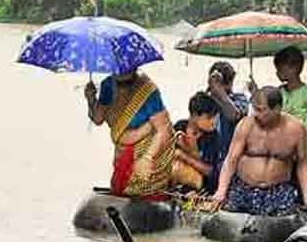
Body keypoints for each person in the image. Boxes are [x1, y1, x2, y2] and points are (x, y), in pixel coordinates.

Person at [211, 86, 307, 216]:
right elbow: (231, 160)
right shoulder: (246, 125)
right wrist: (221, 191)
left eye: (261, 110)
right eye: (255, 109)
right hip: (244, 189)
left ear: (277, 109)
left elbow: (303, 163)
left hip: (279, 191)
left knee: (287, 227)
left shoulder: (296, 130)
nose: (256, 114)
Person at [85, 71, 175, 199]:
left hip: (147, 148)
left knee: (145, 193)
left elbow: (163, 129)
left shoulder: (147, 90)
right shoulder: (108, 85)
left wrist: (147, 158)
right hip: (122, 149)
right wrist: (91, 99)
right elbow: (98, 119)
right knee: (119, 189)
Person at [203, 61, 250, 193]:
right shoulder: (206, 99)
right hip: (208, 159)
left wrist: (219, 92)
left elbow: (234, 115)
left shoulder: (240, 99)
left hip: (230, 159)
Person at [273, 47, 307, 158]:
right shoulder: (279, 92)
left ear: (294, 68)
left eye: (280, 69)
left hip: (304, 151)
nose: (277, 73)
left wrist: (301, 137)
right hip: (284, 150)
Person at [171, 92, 220, 191]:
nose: (213, 122)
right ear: (194, 115)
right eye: (209, 118)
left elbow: (211, 172)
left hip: (200, 191)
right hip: (174, 188)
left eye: (215, 118)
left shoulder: (213, 137)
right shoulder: (179, 128)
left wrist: (184, 156)